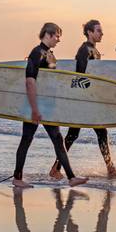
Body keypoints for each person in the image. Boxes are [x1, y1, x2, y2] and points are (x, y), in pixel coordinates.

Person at [49, 19, 116, 179]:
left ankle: (56, 168)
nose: (102, 34)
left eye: (101, 31)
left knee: (76, 135)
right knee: (93, 133)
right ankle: (110, 169)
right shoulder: (84, 50)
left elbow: (95, 77)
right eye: (98, 31)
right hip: (83, 101)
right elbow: (80, 76)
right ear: (90, 32)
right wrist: (85, 98)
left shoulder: (95, 51)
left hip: (88, 100)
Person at [13, 22, 88, 188]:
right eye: (57, 36)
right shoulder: (37, 53)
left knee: (57, 139)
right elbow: (30, 82)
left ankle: (71, 177)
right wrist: (34, 109)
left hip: (47, 107)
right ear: (48, 34)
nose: (59, 40)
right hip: (36, 107)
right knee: (27, 139)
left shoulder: (50, 55)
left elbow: (51, 83)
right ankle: (17, 178)